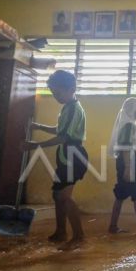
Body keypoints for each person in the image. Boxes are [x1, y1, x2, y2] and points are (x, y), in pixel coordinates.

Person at [25, 70, 88, 249]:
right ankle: (61, 232)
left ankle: (79, 236)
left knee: (64, 196)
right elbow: (60, 131)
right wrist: (40, 127)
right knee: (57, 195)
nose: (55, 96)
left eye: (58, 92)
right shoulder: (67, 107)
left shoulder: (74, 108)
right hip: (66, 155)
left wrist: (35, 145)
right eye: (53, 93)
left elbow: (63, 138)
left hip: (73, 155)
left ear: (71, 89)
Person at [108, 97, 136, 234]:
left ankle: (113, 226)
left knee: (121, 194)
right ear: (132, 110)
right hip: (128, 163)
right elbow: (126, 147)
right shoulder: (128, 126)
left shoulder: (130, 124)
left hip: (128, 162)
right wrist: (127, 168)